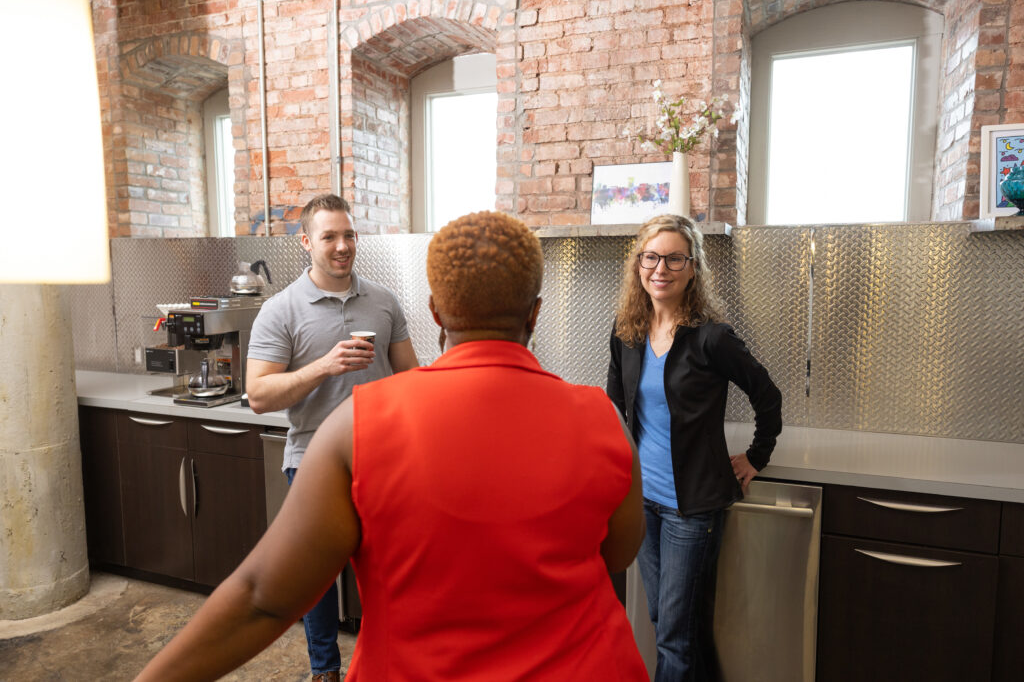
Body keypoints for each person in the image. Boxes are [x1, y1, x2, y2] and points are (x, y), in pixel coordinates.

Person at [134, 211, 648, 681]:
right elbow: (618, 554)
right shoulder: (602, 418)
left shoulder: (359, 425)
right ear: (534, 314)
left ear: (437, 313)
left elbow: (263, 599)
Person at [245, 193, 419, 682]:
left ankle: (386, 663)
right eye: (329, 237)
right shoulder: (279, 311)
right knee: (316, 579)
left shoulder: (383, 301)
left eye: (349, 235)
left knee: (389, 571)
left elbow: (409, 375)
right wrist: (325, 366)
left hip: (385, 459)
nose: (342, 246)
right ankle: (324, 670)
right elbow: (258, 395)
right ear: (306, 242)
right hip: (314, 461)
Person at [606, 214, 782, 682]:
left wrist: (757, 455)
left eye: (674, 258)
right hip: (642, 502)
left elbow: (767, 395)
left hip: (693, 509)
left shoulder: (711, 338)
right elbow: (613, 411)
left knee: (675, 639)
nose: (660, 268)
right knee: (672, 626)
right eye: (651, 257)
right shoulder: (627, 333)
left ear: (692, 267)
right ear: (638, 263)